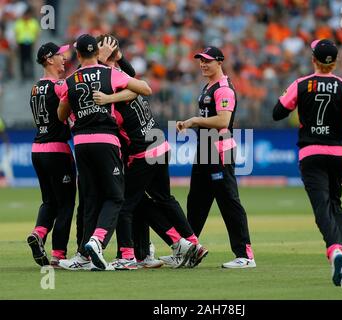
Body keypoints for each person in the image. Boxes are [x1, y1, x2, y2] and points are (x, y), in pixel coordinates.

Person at [92, 35, 207, 269]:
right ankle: (191, 243)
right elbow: (135, 84)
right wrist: (116, 58)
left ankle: (127, 256)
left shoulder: (113, 83)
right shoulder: (125, 78)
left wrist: (103, 64)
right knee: (161, 199)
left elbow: (100, 86)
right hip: (160, 145)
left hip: (144, 153)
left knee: (124, 204)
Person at [272, 39, 342, 286]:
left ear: (313, 59)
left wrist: (299, 102)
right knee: (335, 202)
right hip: (338, 154)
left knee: (321, 206)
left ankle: (335, 250)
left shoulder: (301, 84)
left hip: (311, 152)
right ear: (335, 62)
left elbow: (277, 112)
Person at [57, 34, 152, 270]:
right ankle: (97, 240)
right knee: (115, 196)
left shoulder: (70, 79)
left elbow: (61, 115)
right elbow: (144, 89)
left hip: (81, 143)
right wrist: (111, 97)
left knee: (90, 199)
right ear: (97, 53)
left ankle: (82, 256)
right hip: (106, 141)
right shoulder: (110, 73)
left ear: (78, 54)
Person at [177, 46, 255, 269]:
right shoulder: (209, 86)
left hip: (218, 150)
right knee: (196, 204)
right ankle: (189, 250)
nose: (203, 64)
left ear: (219, 62)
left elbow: (222, 121)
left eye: (208, 61)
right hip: (205, 149)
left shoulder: (224, 89)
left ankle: (245, 255)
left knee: (229, 202)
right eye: (201, 60)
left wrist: (193, 121)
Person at [26, 42, 76, 268]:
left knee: (49, 200)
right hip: (57, 150)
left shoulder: (35, 87)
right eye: (60, 55)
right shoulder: (60, 86)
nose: (64, 58)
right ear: (48, 59)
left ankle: (39, 233)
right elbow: (70, 115)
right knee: (65, 204)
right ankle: (58, 254)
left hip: (37, 149)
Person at [14, 6, 40, 80]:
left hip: (30, 43)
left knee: (30, 59)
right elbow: (16, 33)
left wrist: (35, 42)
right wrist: (17, 43)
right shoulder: (19, 22)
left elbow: (37, 33)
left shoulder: (33, 22)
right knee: (22, 60)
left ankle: (31, 74)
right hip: (21, 43)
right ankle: (23, 75)